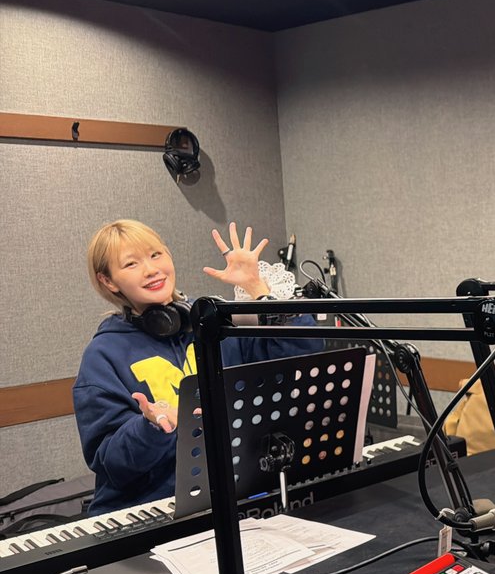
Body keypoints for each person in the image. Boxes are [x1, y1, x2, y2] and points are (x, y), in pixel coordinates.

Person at [74, 220, 319, 515]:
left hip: (233, 497)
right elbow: (110, 462)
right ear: (108, 281)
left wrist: (257, 288)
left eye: (155, 255)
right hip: (153, 510)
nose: (151, 269)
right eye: (131, 264)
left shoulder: (215, 322)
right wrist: (151, 428)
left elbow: (298, 364)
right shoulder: (102, 356)